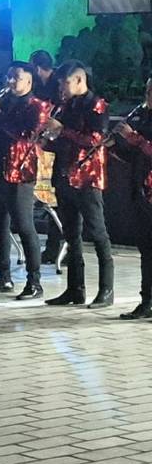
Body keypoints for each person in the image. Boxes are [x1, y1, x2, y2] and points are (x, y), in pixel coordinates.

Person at [0, 62, 50, 301]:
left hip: (19, 172)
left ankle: (34, 281)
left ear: (29, 81)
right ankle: (3, 276)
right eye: (8, 77)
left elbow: (23, 136)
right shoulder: (4, 103)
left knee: (24, 226)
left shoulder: (37, 106)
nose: (10, 82)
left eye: (15, 77)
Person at [43, 61, 114, 309]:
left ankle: (107, 289)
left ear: (79, 80)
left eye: (64, 82)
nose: (61, 87)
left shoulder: (96, 104)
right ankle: (75, 289)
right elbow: (60, 139)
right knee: (70, 234)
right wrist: (45, 140)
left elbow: (94, 140)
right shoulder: (64, 106)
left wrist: (62, 130)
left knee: (97, 233)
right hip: (64, 175)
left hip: (88, 177)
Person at [114, 76, 152, 319]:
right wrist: (114, 146)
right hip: (141, 190)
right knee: (146, 248)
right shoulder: (144, 116)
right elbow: (136, 156)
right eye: (148, 88)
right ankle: (146, 301)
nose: (148, 93)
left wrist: (134, 139)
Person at [30, 50, 65, 266]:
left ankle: (60, 246)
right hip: (45, 145)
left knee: (59, 200)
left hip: (58, 146)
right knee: (51, 199)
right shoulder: (41, 88)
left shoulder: (57, 85)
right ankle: (53, 248)